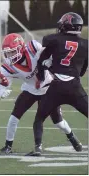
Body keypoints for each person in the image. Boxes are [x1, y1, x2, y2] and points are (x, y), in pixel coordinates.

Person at [0, 33, 81, 156]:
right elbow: (4, 81)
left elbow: (48, 57)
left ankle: (72, 137)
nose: (9, 56)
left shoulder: (33, 47)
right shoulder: (8, 67)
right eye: (8, 53)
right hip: (30, 89)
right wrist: (1, 91)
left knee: (58, 122)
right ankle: (8, 146)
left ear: (20, 47)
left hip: (48, 87)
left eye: (12, 52)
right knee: (13, 118)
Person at [29, 12, 88, 156]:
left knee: (39, 119)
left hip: (56, 87)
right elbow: (82, 71)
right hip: (75, 87)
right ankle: (74, 143)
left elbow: (42, 59)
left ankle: (38, 147)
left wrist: (44, 72)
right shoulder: (86, 44)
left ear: (65, 25)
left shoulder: (53, 39)